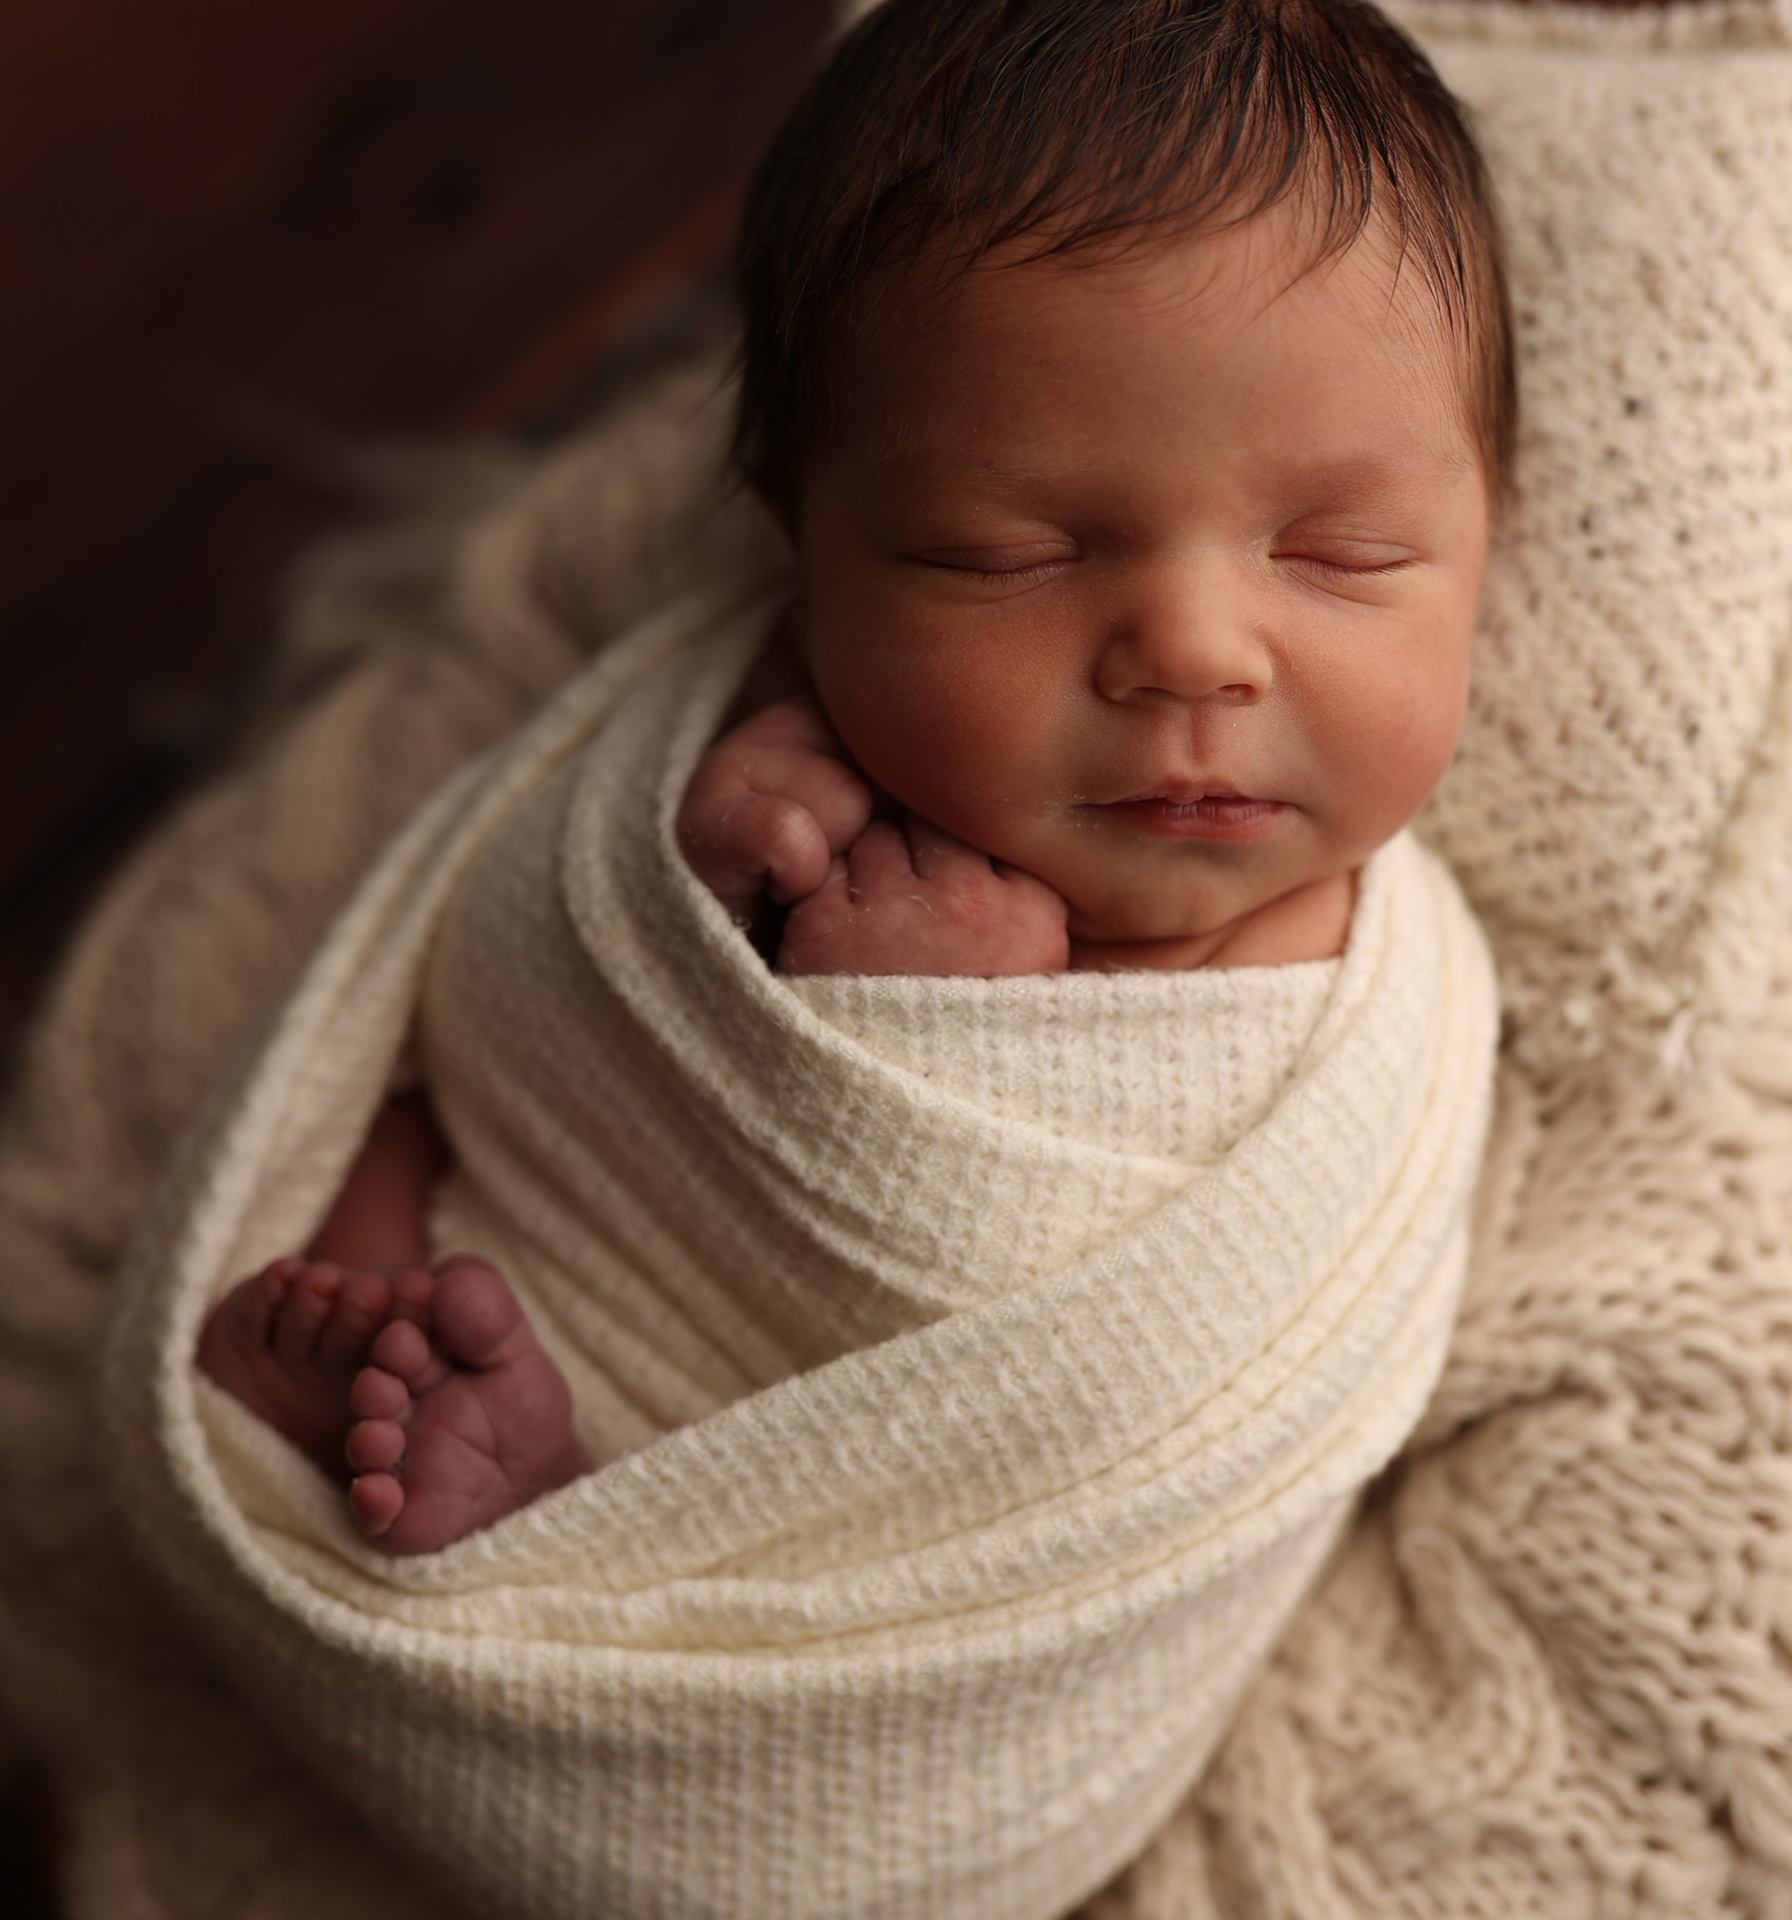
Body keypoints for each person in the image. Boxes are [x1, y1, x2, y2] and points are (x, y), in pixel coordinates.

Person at [194, 0, 1514, 1557]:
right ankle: (407, 1328)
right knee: (407, 1097)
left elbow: (1159, 1368)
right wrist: (713, 850)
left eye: (1341, 556)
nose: (1194, 654)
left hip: (903, 1499)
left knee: (841, 1491)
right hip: (590, 1235)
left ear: (1487, 535)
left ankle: (591, 1516)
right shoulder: (795, 718)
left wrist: (937, 1025)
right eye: (1003, 554)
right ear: (802, 555)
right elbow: (544, 962)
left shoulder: (1369, 1006)